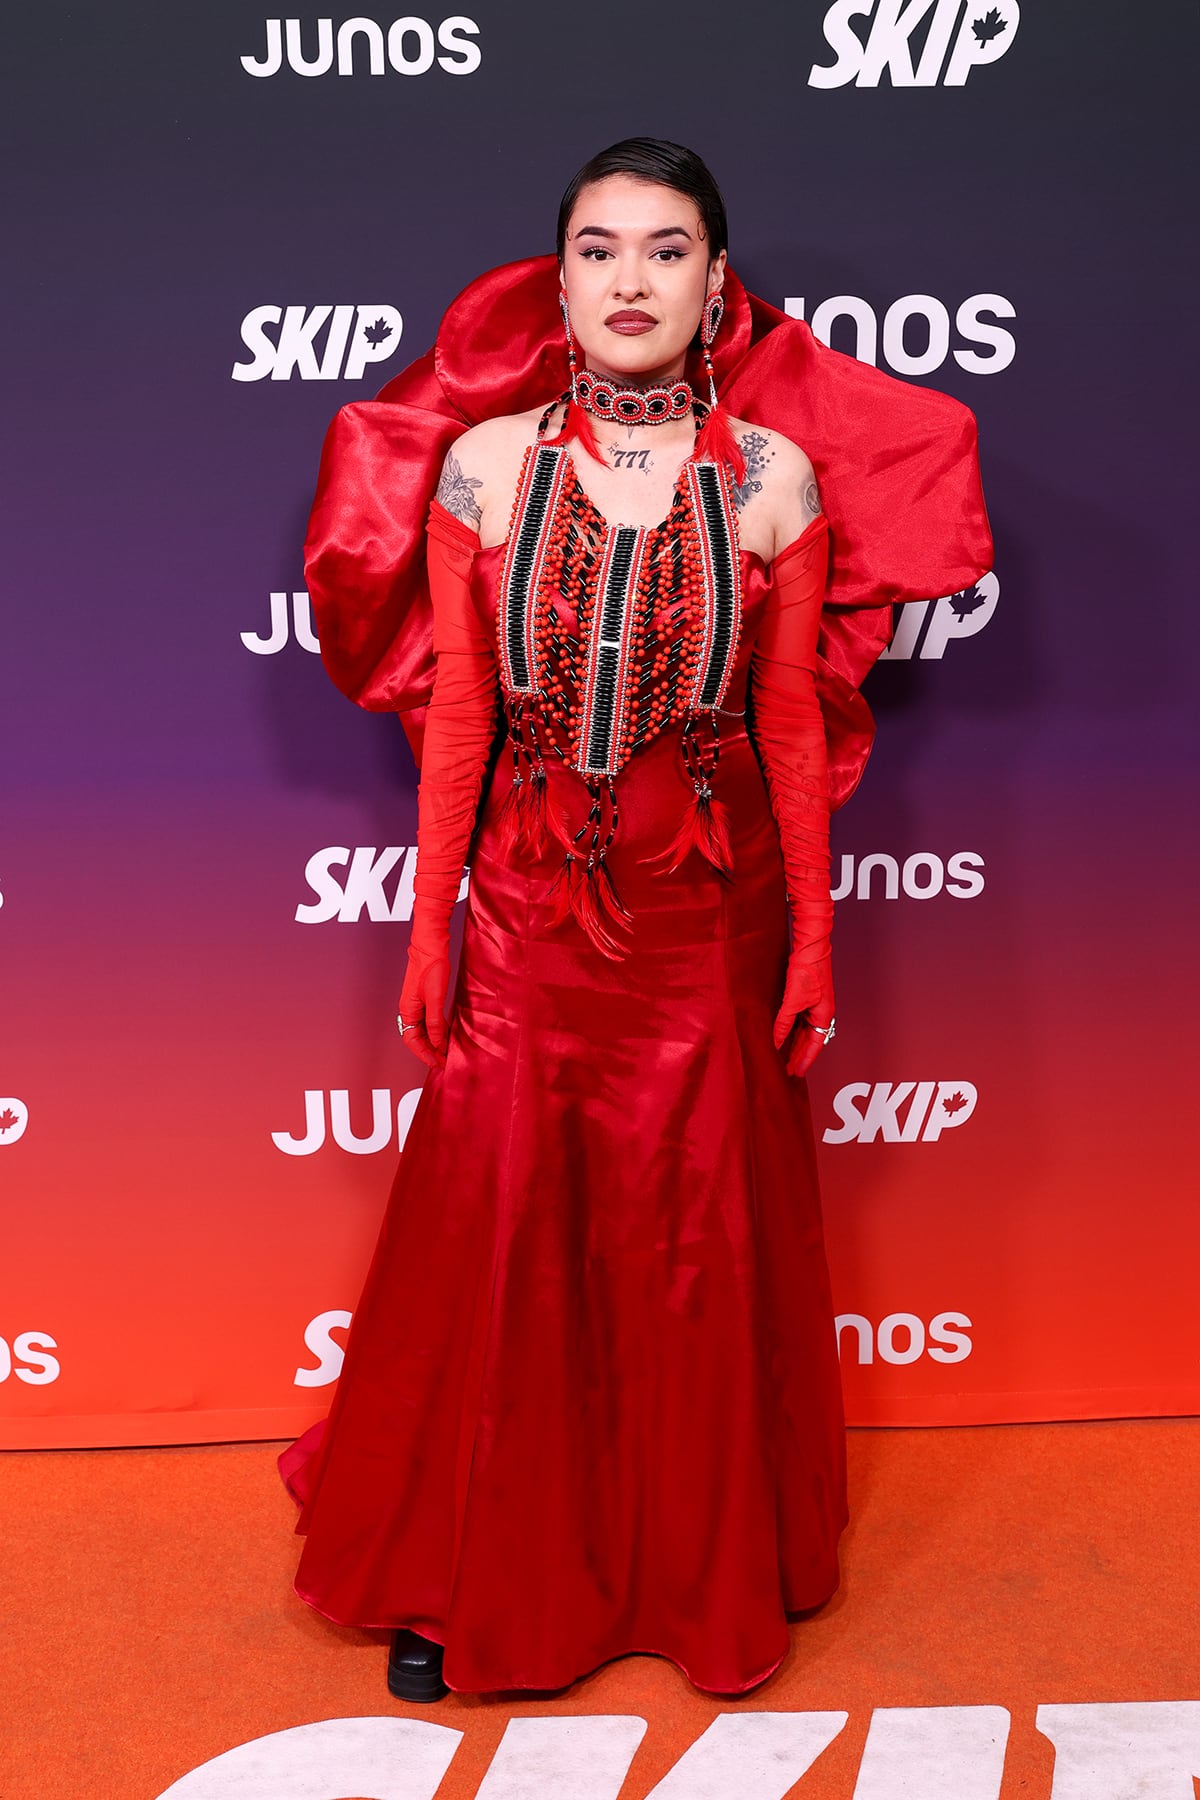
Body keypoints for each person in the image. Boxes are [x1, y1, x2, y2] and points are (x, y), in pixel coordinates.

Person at [280, 138, 992, 1703]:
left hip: (705, 917)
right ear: (560, 281)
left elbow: (794, 733)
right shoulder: (483, 467)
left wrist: (813, 939)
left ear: (716, 286)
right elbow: (461, 715)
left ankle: (691, 1574)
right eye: (598, 250)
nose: (629, 280)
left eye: (665, 251)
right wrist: (430, 928)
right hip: (532, 911)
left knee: (690, 1250)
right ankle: (470, 1573)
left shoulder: (776, 480)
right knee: (509, 1240)